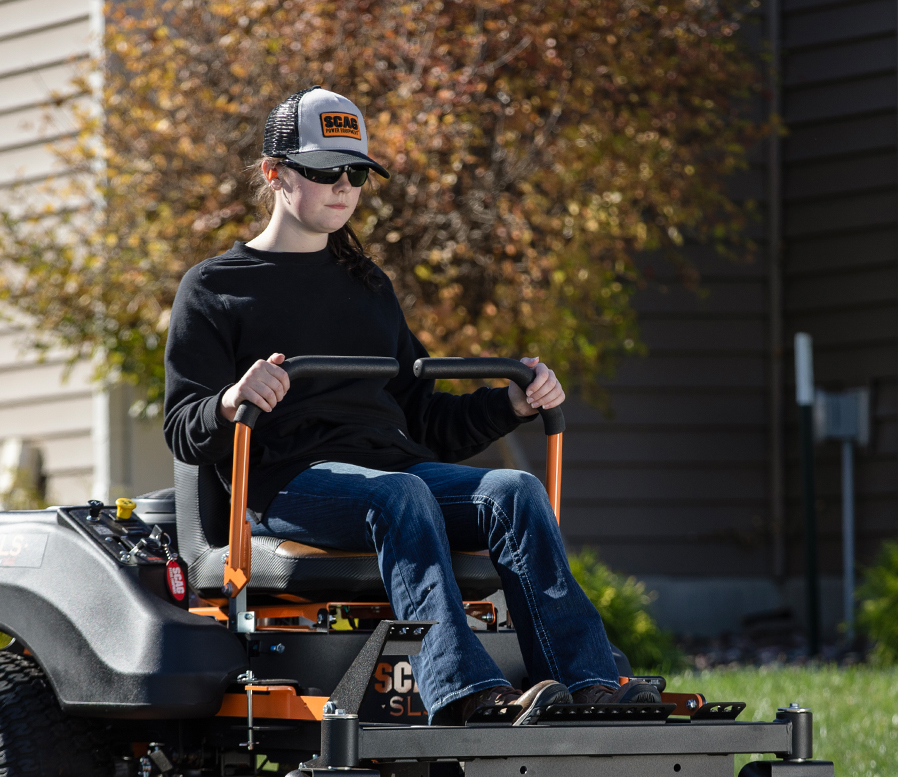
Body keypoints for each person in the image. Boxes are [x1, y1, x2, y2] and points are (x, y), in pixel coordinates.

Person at [162, 87, 658, 725]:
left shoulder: (368, 287)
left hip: (393, 471)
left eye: (356, 174)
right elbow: (183, 427)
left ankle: (587, 683)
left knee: (516, 491)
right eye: (323, 171)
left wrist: (511, 404)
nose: (343, 187)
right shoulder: (213, 288)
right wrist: (231, 401)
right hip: (289, 484)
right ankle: (460, 690)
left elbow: (426, 421)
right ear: (274, 172)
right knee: (401, 495)